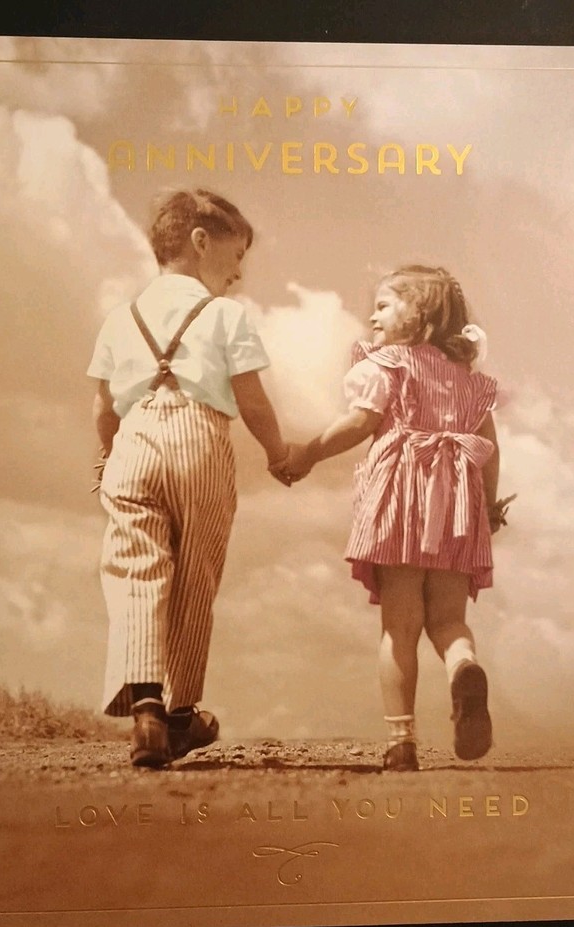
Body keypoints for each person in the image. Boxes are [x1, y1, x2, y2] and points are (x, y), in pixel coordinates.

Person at [278, 265, 514, 771]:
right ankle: (464, 668)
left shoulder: (387, 364)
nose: (372, 316)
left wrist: (309, 453)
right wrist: (489, 508)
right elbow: (489, 450)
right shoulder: (470, 381)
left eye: (383, 306)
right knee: (449, 620)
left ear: (418, 315)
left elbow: (359, 422)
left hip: (400, 503)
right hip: (458, 506)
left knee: (400, 627)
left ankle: (401, 744)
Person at [87, 188, 291, 768]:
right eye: (237, 256)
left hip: (133, 440)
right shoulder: (226, 315)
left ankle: (147, 705)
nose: (239, 273)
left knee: (136, 568)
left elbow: (103, 407)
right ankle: (179, 714)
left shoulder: (120, 318)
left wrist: (109, 457)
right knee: (194, 574)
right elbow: (252, 400)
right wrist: (278, 454)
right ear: (201, 242)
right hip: (200, 440)